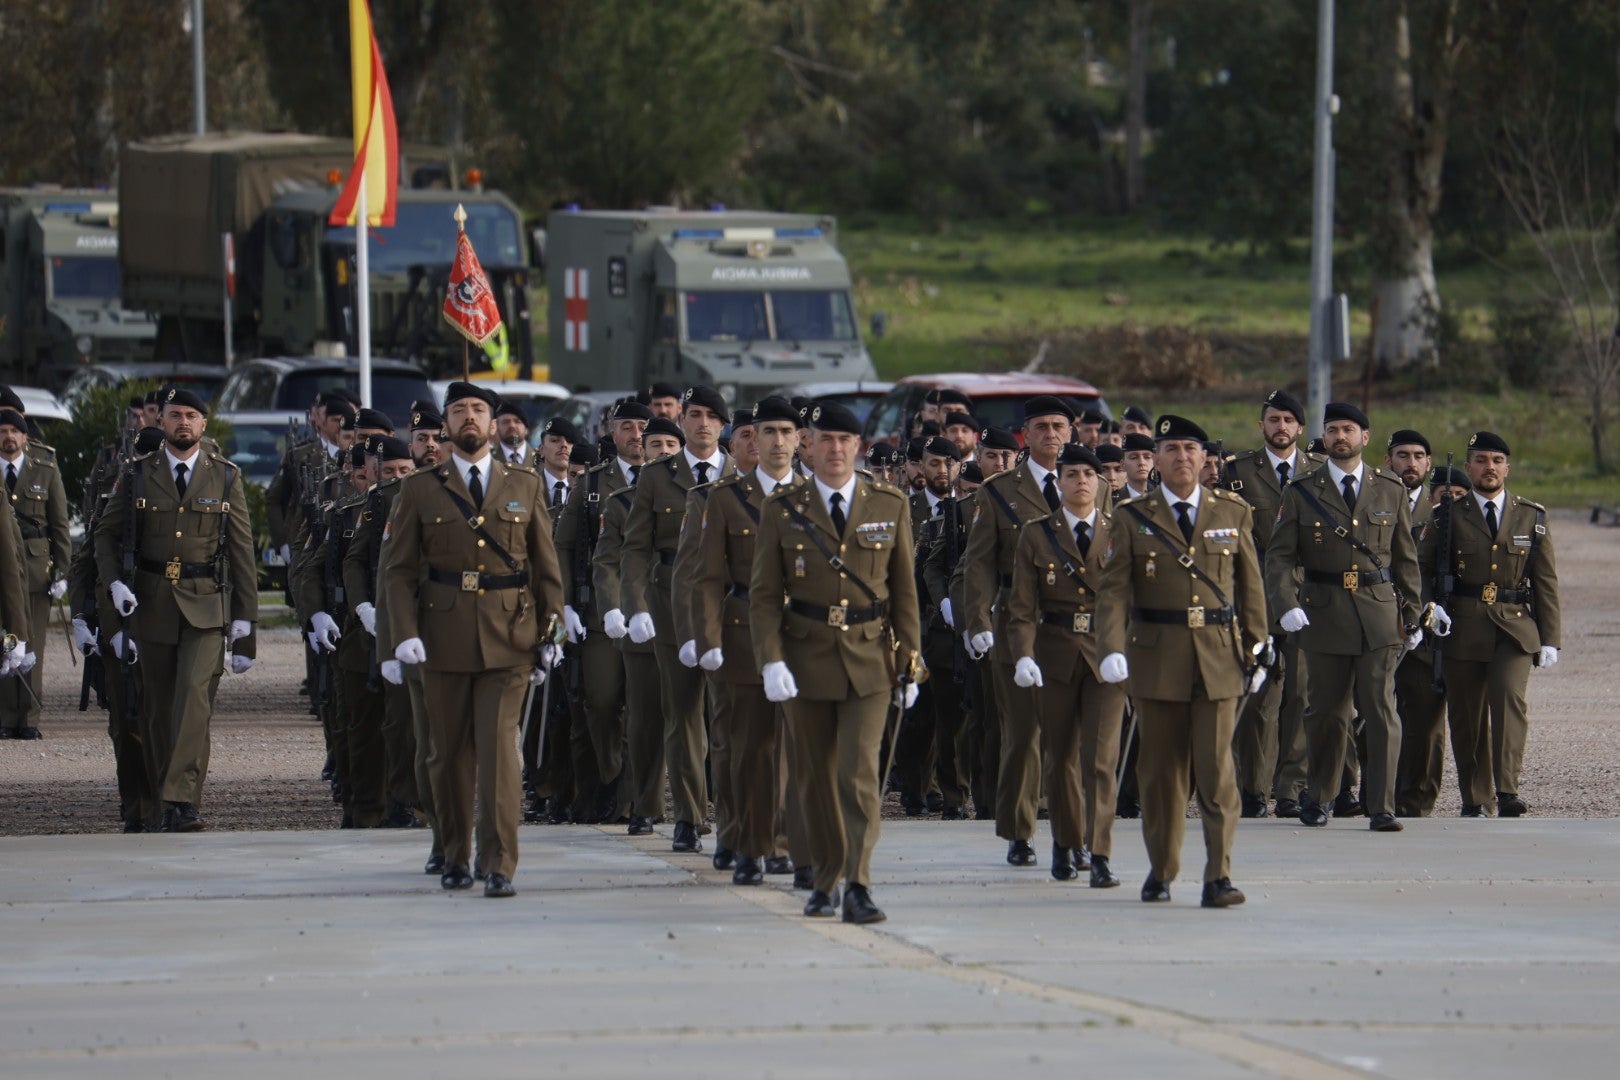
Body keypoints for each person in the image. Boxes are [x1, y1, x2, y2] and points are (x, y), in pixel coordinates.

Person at [382, 381, 565, 898]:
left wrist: (552, 631)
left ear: (493, 423)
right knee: (448, 754)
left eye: (479, 409)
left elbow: (546, 567)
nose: (469, 417)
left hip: (510, 635)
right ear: (445, 424)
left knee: (500, 752)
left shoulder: (526, 484)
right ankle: (455, 853)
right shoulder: (419, 488)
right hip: (441, 637)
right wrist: (403, 634)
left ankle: (500, 862)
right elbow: (396, 572)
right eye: (459, 409)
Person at [750, 400, 922, 924]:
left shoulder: (888, 504)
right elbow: (762, 595)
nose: (835, 449)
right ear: (808, 444)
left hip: (870, 658)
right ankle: (824, 879)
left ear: (859, 447)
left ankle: (858, 884)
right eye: (824, 439)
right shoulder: (783, 508)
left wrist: (911, 661)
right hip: (805, 658)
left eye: (845, 440)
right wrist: (771, 661)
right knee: (814, 780)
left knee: (858, 775)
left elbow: (905, 593)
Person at [1095, 415, 1266, 908]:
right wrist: (1110, 649)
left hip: (1218, 659)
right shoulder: (1133, 517)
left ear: (1204, 458)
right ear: (1158, 458)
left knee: (1217, 773)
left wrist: (1258, 646)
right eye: (1170, 448)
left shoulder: (1231, 512)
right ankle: (1163, 869)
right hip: (1157, 659)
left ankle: (1219, 876)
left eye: (1190, 448)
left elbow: (1249, 587)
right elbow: (1112, 593)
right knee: (1161, 776)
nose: (1182, 457)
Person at [93, 388, 257, 833]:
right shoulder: (137, 475)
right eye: (174, 415)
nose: (183, 422)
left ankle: (179, 800)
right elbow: (104, 537)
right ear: (160, 422)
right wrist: (115, 585)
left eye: (191, 415)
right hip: (151, 604)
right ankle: (168, 804)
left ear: (204, 425)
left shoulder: (224, 477)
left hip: (206, 604)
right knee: (158, 709)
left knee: (193, 697)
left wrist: (246, 623)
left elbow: (241, 549)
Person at [1264, 402, 1422, 832]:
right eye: (1332, 429)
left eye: (1348, 429)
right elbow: (1278, 557)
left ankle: (1382, 805)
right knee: (1326, 713)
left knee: (1379, 707)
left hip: (1378, 613)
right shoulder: (1301, 489)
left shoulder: (1388, 486)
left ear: (1365, 438)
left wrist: (1413, 613)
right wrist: (1285, 604)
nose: (1339, 437)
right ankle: (1318, 797)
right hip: (1323, 612)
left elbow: (1405, 557)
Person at [688, 397, 807, 884]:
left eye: (786, 432)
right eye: (768, 432)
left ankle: (781, 840)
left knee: (794, 746)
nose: (777, 442)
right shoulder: (724, 498)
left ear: (799, 441)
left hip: (798, 635)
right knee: (748, 746)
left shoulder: (814, 496)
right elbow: (707, 576)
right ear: (751, 440)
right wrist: (708, 636)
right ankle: (745, 839)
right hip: (741, 636)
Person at [1421, 431, 1561, 817]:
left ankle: (1508, 790)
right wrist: (1431, 606)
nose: (1489, 467)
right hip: (1462, 625)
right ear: (1468, 467)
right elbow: (1422, 568)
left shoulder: (1531, 515)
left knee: (1508, 700)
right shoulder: (1446, 516)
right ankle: (1475, 797)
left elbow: (1545, 580)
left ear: (1507, 468)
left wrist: (1551, 638)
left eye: (1497, 461)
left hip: (1515, 627)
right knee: (1466, 715)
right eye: (1481, 460)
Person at [961, 396, 1074, 868]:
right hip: (1015, 624)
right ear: (1026, 434)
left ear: (1071, 432)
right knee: (1023, 734)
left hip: (1073, 629)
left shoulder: (1096, 487)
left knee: (1070, 738)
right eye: (1041, 426)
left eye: (1058, 426)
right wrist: (978, 621)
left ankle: (1072, 835)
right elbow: (979, 564)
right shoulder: (998, 491)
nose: (1051, 434)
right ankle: (1019, 831)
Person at [620, 385, 734, 854]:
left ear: (723, 425)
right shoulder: (656, 477)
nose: (703, 423)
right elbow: (634, 550)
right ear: (681, 420)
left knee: (728, 718)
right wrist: (636, 605)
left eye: (712, 416)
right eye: (695, 415)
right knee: (682, 714)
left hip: (731, 608)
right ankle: (689, 815)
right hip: (672, 605)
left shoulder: (739, 474)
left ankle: (733, 814)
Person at [1006, 443, 1125, 887]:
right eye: (1071, 474)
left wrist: (1128, 650)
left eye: (1088, 475)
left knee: (1100, 760)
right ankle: (1064, 843)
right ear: (1059, 483)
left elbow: (1130, 598)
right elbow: (1021, 606)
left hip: (1105, 655)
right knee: (1060, 759)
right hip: (1054, 655)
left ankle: (1099, 852)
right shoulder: (1036, 534)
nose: (1080, 482)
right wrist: (1022, 654)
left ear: (1100, 482)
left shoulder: (1119, 530)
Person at [1219, 389, 1324, 818]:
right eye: (1273, 419)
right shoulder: (1237, 472)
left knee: (1299, 698)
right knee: (1258, 697)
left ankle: (1290, 789)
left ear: (1300, 428)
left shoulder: (1319, 472)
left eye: (1288, 421)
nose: (1281, 427)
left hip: (1304, 601)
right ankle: (1252, 789)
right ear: (1261, 425)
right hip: (1254, 600)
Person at [555, 400, 654, 828]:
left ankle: (633, 801)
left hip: (654, 607)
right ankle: (614, 780)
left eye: (641, 427)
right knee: (600, 702)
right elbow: (564, 544)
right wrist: (563, 605)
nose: (635, 434)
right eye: (626, 427)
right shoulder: (593, 483)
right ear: (612, 433)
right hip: (600, 610)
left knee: (645, 708)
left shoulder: (669, 480)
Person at [1395, 463, 1467, 816]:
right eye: (1443, 497)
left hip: (1463, 638)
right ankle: (1407, 798)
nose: (1449, 504)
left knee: (1452, 726)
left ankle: (1428, 797)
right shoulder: (1419, 532)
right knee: (1419, 723)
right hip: (1421, 640)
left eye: (1458, 498)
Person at [0, 409, 68, 739]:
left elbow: (59, 522)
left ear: (25, 436)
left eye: (14, 430)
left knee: (31, 645)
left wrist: (62, 570)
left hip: (35, 566)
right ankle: (5, 716)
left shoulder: (44, 466)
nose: (8, 436)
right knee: (4, 640)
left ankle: (28, 717)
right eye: (2, 430)